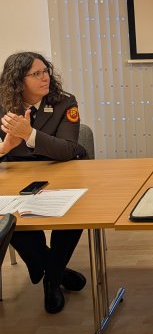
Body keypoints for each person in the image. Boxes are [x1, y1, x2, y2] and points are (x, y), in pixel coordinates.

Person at [0, 52, 88, 314]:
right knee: (10, 218)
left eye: (45, 71)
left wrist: (30, 134)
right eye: (36, 74)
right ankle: (55, 272)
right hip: (16, 176)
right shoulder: (2, 105)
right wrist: (5, 147)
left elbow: (68, 149)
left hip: (61, 172)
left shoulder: (63, 102)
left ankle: (50, 278)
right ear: (18, 81)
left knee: (74, 215)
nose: (44, 77)